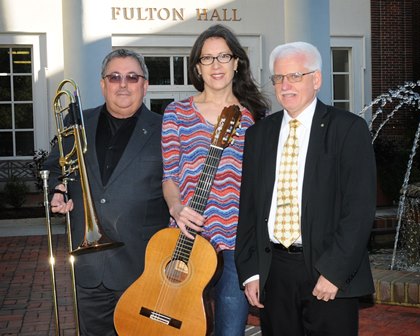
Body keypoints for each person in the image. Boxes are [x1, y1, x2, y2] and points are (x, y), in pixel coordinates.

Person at [235, 41, 377, 336]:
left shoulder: (348, 129)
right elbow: (248, 209)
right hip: (273, 272)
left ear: (316, 79)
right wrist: (250, 271)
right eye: (278, 78)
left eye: (295, 76)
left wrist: (334, 272)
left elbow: (359, 210)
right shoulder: (258, 135)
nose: (285, 85)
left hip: (326, 272)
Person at [43, 48, 169, 335]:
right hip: (89, 266)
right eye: (114, 77)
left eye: (132, 77)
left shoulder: (165, 129)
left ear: (145, 85)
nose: (123, 84)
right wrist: (57, 189)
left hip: (141, 268)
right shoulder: (78, 122)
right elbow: (53, 166)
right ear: (103, 84)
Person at [161, 24, 270, 336]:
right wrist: (176, 207)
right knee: (179, 328)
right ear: (197, 67)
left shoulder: (254, 117)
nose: (216, 65)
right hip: (187, 241)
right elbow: (169, 175)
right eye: (207, 59)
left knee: (230, 331)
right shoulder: (176, 113)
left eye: (223, 56)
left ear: (236, 62)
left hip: (237, 243)